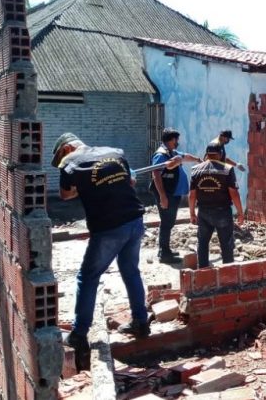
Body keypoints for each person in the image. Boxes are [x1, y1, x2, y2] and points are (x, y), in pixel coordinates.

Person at [52, 132, 150, 358]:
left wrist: (85, 186)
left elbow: (65, 195)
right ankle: (141, 322)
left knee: (88, 277)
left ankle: (79, 334)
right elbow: (131, 181)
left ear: (66, 149)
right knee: (131, 271)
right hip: (135, 220)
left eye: (60, 157)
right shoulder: (115, 153)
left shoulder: (70, 163)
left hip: (109, 227)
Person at [189, 142, 245, 267]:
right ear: (220, 154)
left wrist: (192, 213)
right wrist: (240, 213)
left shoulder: (195, 170)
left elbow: (192, 195)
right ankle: (228, 273)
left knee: (202, 243)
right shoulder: (227, 169)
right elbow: (234, 194)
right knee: (226, 244)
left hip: (203, 212)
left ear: (207, 154)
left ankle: (202, 272)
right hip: (222, 212)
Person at [150, 128, 201, 264]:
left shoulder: (171, 152)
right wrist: (163, 196)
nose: (177, 142)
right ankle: (164, 254)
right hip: (167, 194)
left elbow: (185, 156)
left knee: (169, 222)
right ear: (171, 140)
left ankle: (165, 250)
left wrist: (197, 159)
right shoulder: (161, 155)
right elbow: (155, 174)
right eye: (176, 140)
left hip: (173, 193)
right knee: (167, 222)